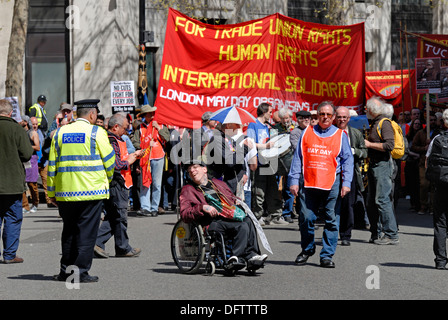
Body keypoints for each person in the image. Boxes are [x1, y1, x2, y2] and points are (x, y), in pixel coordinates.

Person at [48, 99, 115, 283]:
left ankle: (66, 272)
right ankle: (80, 273)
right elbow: (110, 162)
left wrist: (52, 192)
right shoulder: (97, 132)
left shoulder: (60, 133)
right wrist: (106, 180)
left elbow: (51, 166)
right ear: (92, 114)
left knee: (69, 232)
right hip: (91, 192)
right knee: (86, 234)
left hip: (65, 193)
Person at [288, 101, 353, 268]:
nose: (325, 117)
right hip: (309, 182)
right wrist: (294, 180)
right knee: (306, 217)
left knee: (331, 219)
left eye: (328, 115)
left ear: (333, 117)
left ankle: (326, 255)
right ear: (316, 116)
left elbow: (347, 160)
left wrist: (346, 183)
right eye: (322, 114)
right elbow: (298, 158)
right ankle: (307, 249)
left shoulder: (340, 135)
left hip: (332, 182)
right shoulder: (306, 133)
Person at [179, 159, 267, 271]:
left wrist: (238, 202)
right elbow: (184, 214)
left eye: (195, 167)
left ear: (204, 169)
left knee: (248, 220)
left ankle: (251, 256)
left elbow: (231, 198)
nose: (192, 170)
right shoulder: (188, 190)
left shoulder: (217, 183)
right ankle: (237, 257)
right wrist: (202, 207)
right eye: (189, 169)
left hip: (227, 216)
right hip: (210, 222)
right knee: (242, 226)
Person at [94, 113, 144, 259]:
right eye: (125, 128)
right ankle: (122, 247)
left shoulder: (115, 139)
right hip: (116, 181)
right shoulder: (111, 140)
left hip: (118, 181)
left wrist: (133, 156)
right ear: (116, 127)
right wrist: (130, 160)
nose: (126, 131)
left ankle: (98, 243)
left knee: (114, 216)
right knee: (120, 215)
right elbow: (115, 164)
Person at [0, 99, 34, 264]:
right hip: (12, 183)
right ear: (10, 113)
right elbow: (27, 154)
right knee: (13, 218)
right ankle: (9, 254)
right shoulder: (16, 129)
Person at [364, 96, 399, 245]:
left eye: (367, 108)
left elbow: (389, 145)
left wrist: (369, 145)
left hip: (383, 165)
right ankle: (376, 233)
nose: (366, 110)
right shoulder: (376, 123)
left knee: (382, 200)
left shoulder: (384, 123)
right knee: (372, 201)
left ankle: (391, 234)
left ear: (372, 110)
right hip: (375, 165)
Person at [246, 103, 286, 226]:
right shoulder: (253, 125)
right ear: (264, 112)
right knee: (259, 190)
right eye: (269, 112)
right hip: (259, 162)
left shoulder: (269, 126)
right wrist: (265, 146)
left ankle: (275, 215)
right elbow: (250, 143)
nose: (271, 114)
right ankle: (257, 216)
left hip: (270, 162)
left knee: (273, 189)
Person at [335, 107, 367, 246]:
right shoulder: (330, 132)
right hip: (332, 173)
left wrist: (355, 152)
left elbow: (365, 152)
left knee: (348, 204)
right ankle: (331, 233)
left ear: (349, 119)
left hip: (350, 173)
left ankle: (345, 235)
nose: (342, 119)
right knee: (332, 204)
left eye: (344, 117)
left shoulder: (355, 133)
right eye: (339, 117)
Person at [131, 103, 170, 217]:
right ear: (144, 116)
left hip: (158, 157)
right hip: (145, 158)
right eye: (149, 114)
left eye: (153, 113)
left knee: (157, 184)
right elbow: (135, 143)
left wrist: (158, 128)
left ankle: (154, 207)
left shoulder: (161, 125)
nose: (152, 116)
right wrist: (146, 145)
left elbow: (167, 138)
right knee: (145, 183)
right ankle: (145, 207)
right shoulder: (140, 128)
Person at [425, 109, 448, 269]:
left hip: (441, 185)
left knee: (440, 222)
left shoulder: (438, 139)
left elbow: (428, 161)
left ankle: (440, 260)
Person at [411, 112, 440, 215]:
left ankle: (433, 207)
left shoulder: (439, 133)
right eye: (430, 120)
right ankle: (423, 206)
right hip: (424, 162)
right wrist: (424, 148)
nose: (432, 122)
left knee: (434, 186)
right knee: (424, 184)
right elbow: (413, 146)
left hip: (435, 163)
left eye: (433, 120)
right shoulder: (420, 133)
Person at [22, 116, 41, 214]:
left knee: (32, 183)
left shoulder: (33, 133)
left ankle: (35, 204)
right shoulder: (21, 133)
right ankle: (25, 206)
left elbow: (37, 147)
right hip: (22, 160)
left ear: (25, 122)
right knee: (22, 184)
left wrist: (26, 146)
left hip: (32, 159)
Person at [405, 119, 423, 212]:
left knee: (418, 184)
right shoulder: (408, 136)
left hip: (419, 162)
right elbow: (406, 149)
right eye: (415, 123)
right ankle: (413, 203)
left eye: (418, 124)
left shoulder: (422, 135)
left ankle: (419, 204)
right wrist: (414, 155)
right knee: (411, 184)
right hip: (410, 161)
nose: (416, 125)